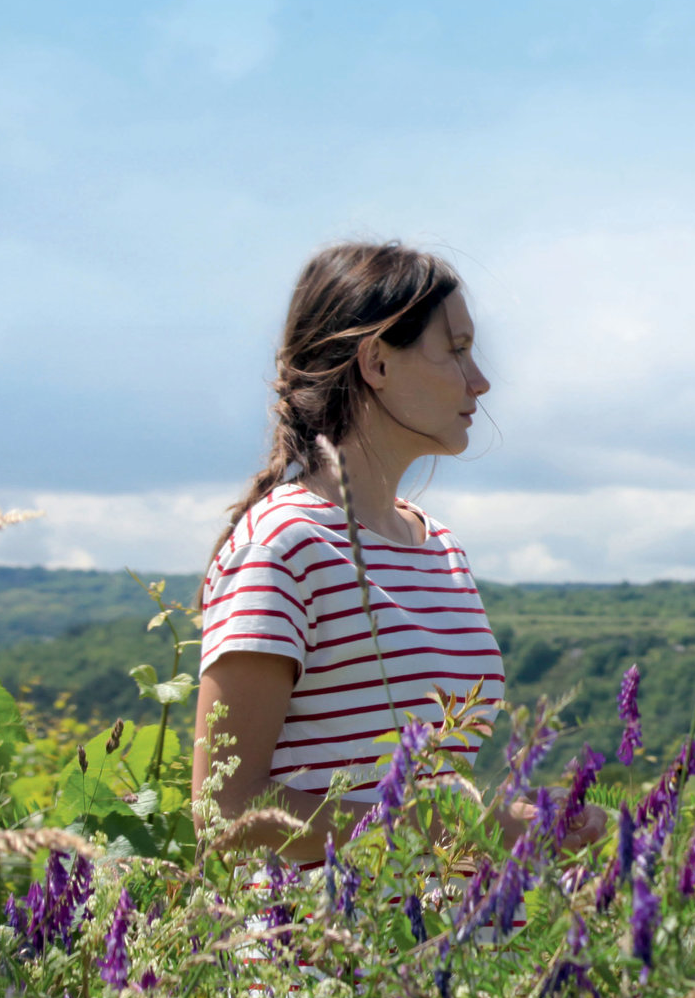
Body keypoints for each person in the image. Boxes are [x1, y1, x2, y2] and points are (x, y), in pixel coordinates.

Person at [193, 242, 601, 872]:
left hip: (442, 960)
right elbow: (226, 814)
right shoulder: (284, 546)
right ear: (377, 362)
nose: (481, 380)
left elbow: (425, 796)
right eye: (458, 350)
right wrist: (470, 830)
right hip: (321, 963)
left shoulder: (439, 548)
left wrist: (530, 826)